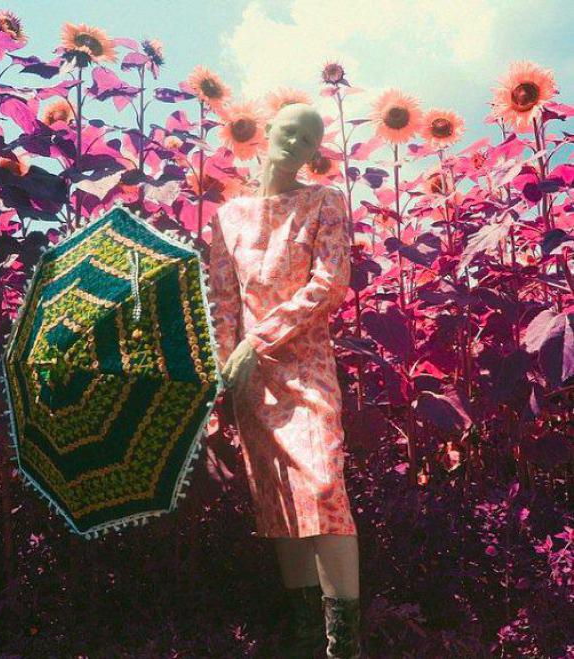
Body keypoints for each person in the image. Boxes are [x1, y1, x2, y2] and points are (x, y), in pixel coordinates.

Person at [207, 102, 362, 658]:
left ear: (315, 152)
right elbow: (224, 303)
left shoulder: (324, 202)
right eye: (289, 130)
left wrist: (259, 340)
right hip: (254, 383)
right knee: (279, 505)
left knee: (323, 489)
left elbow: (330, 283)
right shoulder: (228, 217)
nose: (296, 142)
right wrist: (224, 374)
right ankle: (306, 640)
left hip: (307, 369)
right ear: (269, 131)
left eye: (309, 139)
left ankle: (345, 648)